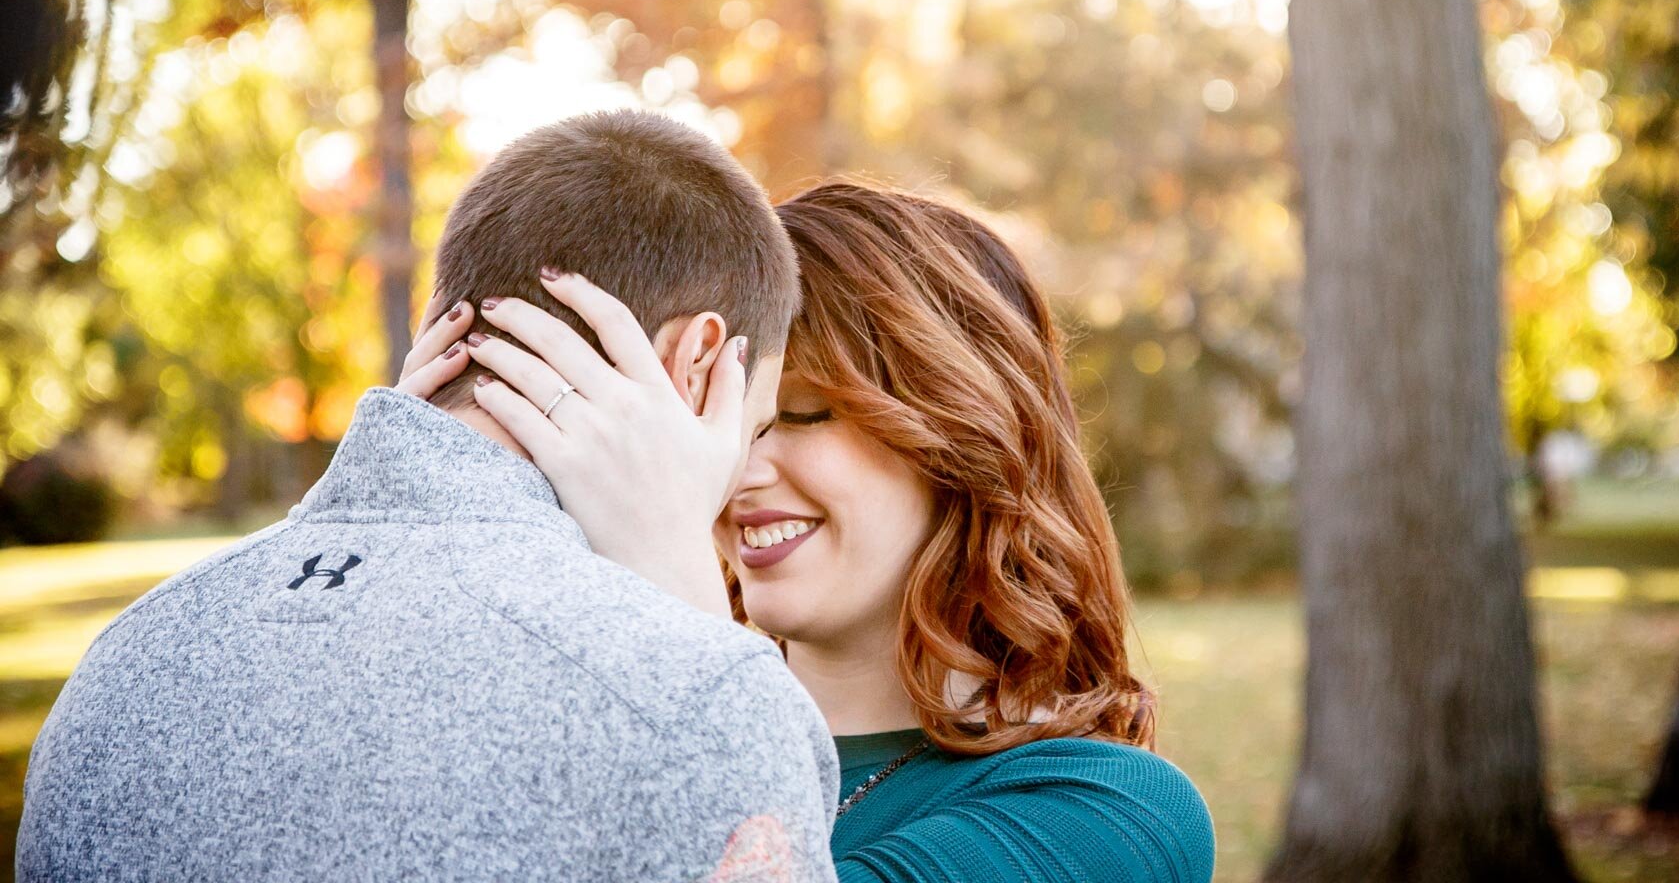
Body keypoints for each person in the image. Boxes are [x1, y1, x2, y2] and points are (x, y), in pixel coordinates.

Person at [16, 111, 839, 882]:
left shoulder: (124, 662)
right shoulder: (710, 703)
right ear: (695, 361)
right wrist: (691, 626)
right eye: (754, 418)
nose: (743, 471)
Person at [403, 178, 1216, 882]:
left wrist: (663, 596)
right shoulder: (562, 735)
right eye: (709, 425)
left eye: (799, 415)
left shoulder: (1111, 817)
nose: (729, 474)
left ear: (964, 435)